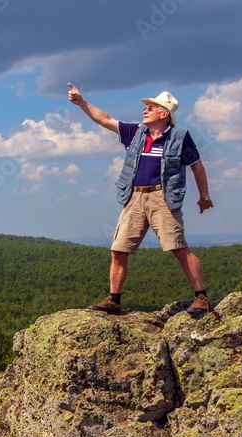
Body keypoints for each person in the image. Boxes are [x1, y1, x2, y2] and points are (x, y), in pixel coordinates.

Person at [67, 83, 214, 315]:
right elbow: (104, 119)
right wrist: (81, 102)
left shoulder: (179, 137)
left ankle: (201, 298)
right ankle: (114, 301)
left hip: (163, 198)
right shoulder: (136, 132)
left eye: (151, 107)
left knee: (178, 248)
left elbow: (197, 166)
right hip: (134, 196)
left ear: (164, 114)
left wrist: (204, 196)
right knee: (119, 250)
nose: (145, 110)